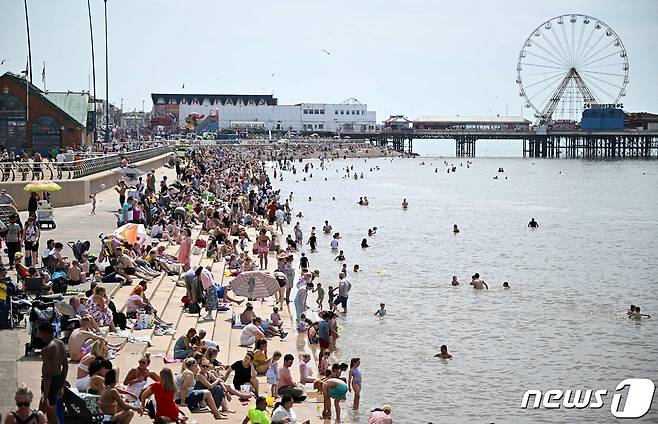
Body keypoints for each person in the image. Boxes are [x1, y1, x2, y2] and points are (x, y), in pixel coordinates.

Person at [37, 322, 68, 424]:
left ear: (44, 333)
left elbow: (47, 375)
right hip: (58, 380)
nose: (38, 335)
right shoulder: (60, 344)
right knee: (40, 412)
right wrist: (61, 385)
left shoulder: (46, 350)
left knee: (51, 414)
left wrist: (45, 396)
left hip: (49, 383)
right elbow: (65, 367)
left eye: (39, 333)